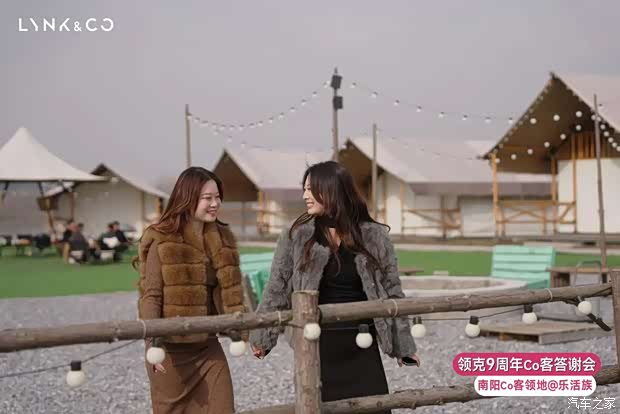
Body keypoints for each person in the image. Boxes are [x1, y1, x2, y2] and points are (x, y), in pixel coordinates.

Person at [250, 161, 419, 411]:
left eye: (311, 189)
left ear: (331, 190)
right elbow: (277, 287)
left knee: (373, 407)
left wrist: (403, 346)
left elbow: (392, 291)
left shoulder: (373, 236)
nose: (305, 195)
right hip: (316, 344)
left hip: (362, 342)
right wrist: (263, 337)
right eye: (304, 189)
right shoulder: (297, 235)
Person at [134, 166, 246, 414]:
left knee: (223, 409)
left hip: (208, 346)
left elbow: (230, 294)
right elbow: (151, 296)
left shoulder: (223, 239)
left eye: (217, 197)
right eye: (207, 198)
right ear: (187, 198)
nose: (215, 203)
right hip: (170, 351)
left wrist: (246, 332)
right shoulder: (162, 239)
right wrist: (152, 346)